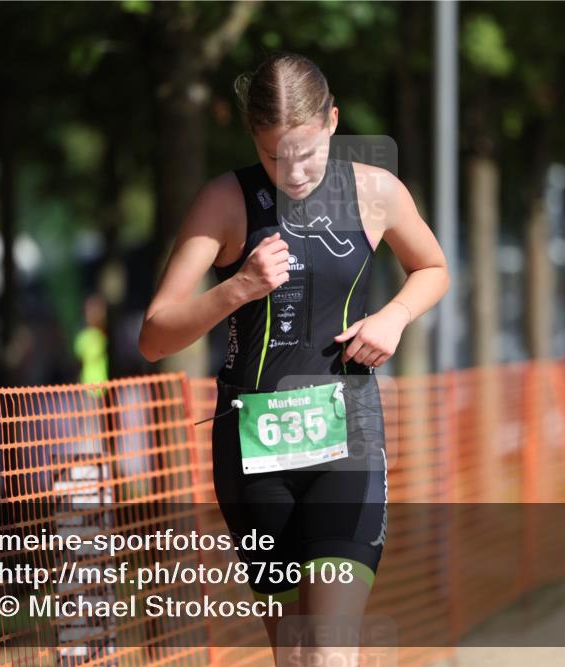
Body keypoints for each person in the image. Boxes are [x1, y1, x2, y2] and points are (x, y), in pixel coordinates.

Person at [138, 52, 449, 663]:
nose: (294, 170)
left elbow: (432, 268)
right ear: (252, 139)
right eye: (274, 155)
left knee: (330, 651)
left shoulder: (375, 191)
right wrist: (237, 289)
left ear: (333, 121)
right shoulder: (225, 201)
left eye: (306, 151)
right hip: (255, 452)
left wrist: (394, 317)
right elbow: (155, 336)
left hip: (348, 437)